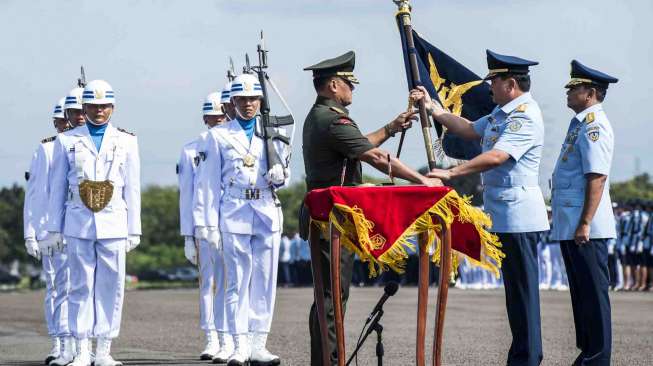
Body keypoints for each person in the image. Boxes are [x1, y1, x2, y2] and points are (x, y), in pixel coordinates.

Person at [301, 50, 441, 365]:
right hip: (332, 221)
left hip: (329, 219)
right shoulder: (333, 119)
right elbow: (374, 158)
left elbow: (359, 144)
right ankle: (328, 361)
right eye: (350, 83)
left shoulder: (323, 116)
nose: (354, 88)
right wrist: (422, 181)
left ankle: (324, 359)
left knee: (329, 298)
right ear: (334, 85)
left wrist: (391, 127)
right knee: (332, 300)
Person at [413, 50, 549, 365]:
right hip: (504, 213)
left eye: (494, 81)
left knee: (524, 293)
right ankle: (521, 355)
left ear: (511, 83)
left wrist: (451, 172)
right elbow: (468, 129)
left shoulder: (524, 114)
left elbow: (498, 156)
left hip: (520, 216)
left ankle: (528, 358)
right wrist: (433, 109)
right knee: (515, 294)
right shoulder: (502, 114)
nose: (489, 87)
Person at [194, 74, 291, 365]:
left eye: (253, 99)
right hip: (234, 208)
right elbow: (207, 184)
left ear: (260, 101)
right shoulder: (218, 136)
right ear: (232, 102)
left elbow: (286, 171)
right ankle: (239, 344)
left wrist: (281, 176)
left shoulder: (273, 132)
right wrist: (206, 225)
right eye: (242, 99)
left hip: (265, 207)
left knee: (264, 279)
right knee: (237, 281)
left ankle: (258, 343)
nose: (248, 104)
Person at [45, 79, 141, 366]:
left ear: (112, 107)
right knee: (80, 285)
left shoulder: (127, 140)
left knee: (111, 286)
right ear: (83, 107)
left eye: (104, 106)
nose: (99, 111)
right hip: (78, 220)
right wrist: (53, 227)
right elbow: (57, 187)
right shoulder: (67, 140)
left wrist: (134, 228)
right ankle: (82, 349)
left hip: (114, 219)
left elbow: (132, 188)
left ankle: (104, 350)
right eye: (93, 106)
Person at [550, 60, 618, 365]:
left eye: (573, 88)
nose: (568, 92)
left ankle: (598, 357)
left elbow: (597, 176)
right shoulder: (579, 123)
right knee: (582, 297)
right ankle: (589, 353)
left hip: (587, 227)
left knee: (593, 295)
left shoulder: (594, 126)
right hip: (573, 224)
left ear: (590, 93)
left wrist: (585, 222)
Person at [177, 91, 228, 360]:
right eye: (214, 117)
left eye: (223, 116)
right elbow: (187, 194)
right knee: (208, 283)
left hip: (232, 221)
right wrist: (188, 235)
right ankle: (212, 337)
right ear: (205, 118)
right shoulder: (191, 149)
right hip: (203, 225)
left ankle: (231, 336)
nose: (219, 121)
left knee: (232, 282)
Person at [23, 97, 70, 365]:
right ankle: (59, 342)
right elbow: (36, 196)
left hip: (81, 230)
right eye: (63, 119)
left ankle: (80, 344)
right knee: (56, 288)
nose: (67, 124)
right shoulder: (47, 149)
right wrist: (32, 233)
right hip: (52, 233)